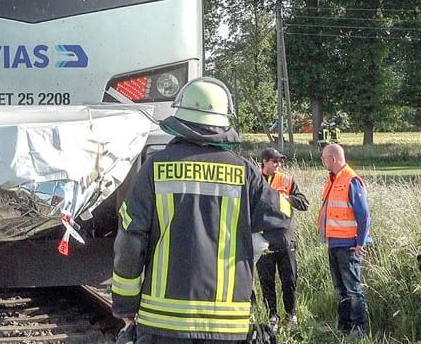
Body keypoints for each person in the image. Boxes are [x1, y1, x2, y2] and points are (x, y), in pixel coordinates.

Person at [111, 77, 288, 343]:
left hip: (162, 322)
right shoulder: (245, 172)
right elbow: (284, 220)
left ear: (181, 117)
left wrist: (125, 305)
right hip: (229, 324)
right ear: (223, 121)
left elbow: (130, 239)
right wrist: (252, 248)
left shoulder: (155, 169)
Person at [318, 143, 371, 337]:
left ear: (332, 159)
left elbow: (364, 215)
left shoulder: (351, 180)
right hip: (334, 242)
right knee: (340, 289)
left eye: (324, 158)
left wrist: (360, 243)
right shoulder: (333, 179)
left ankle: (359, 329)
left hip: (348, 245)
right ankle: (343, 327)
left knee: (353, 289)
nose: (322, 161)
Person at [255, 147, 308, 329]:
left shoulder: (287, 180)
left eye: (280, 161)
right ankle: (272, 317)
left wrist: (286, 197)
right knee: (266, 281)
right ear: (264, 161)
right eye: (275, 161)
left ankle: (291, 316)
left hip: (286, 238)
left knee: (290, 280)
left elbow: (304, 203)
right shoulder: (254, 180)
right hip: (263, 239)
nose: (278, 164)